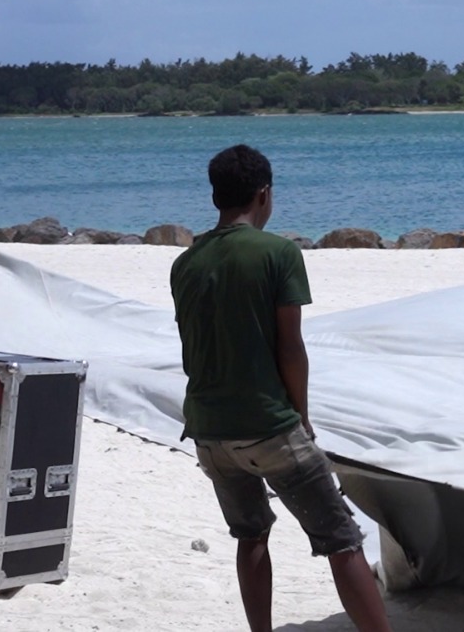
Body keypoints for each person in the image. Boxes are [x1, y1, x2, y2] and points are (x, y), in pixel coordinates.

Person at [170, 144, 391, 632]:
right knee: (342, 539)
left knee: (251, 537)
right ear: (264, 195)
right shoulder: (278, 253)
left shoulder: (185, 263)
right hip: (267, 425)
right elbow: (290, 347)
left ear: (216, 198)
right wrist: (301, 415)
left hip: (208, 429)